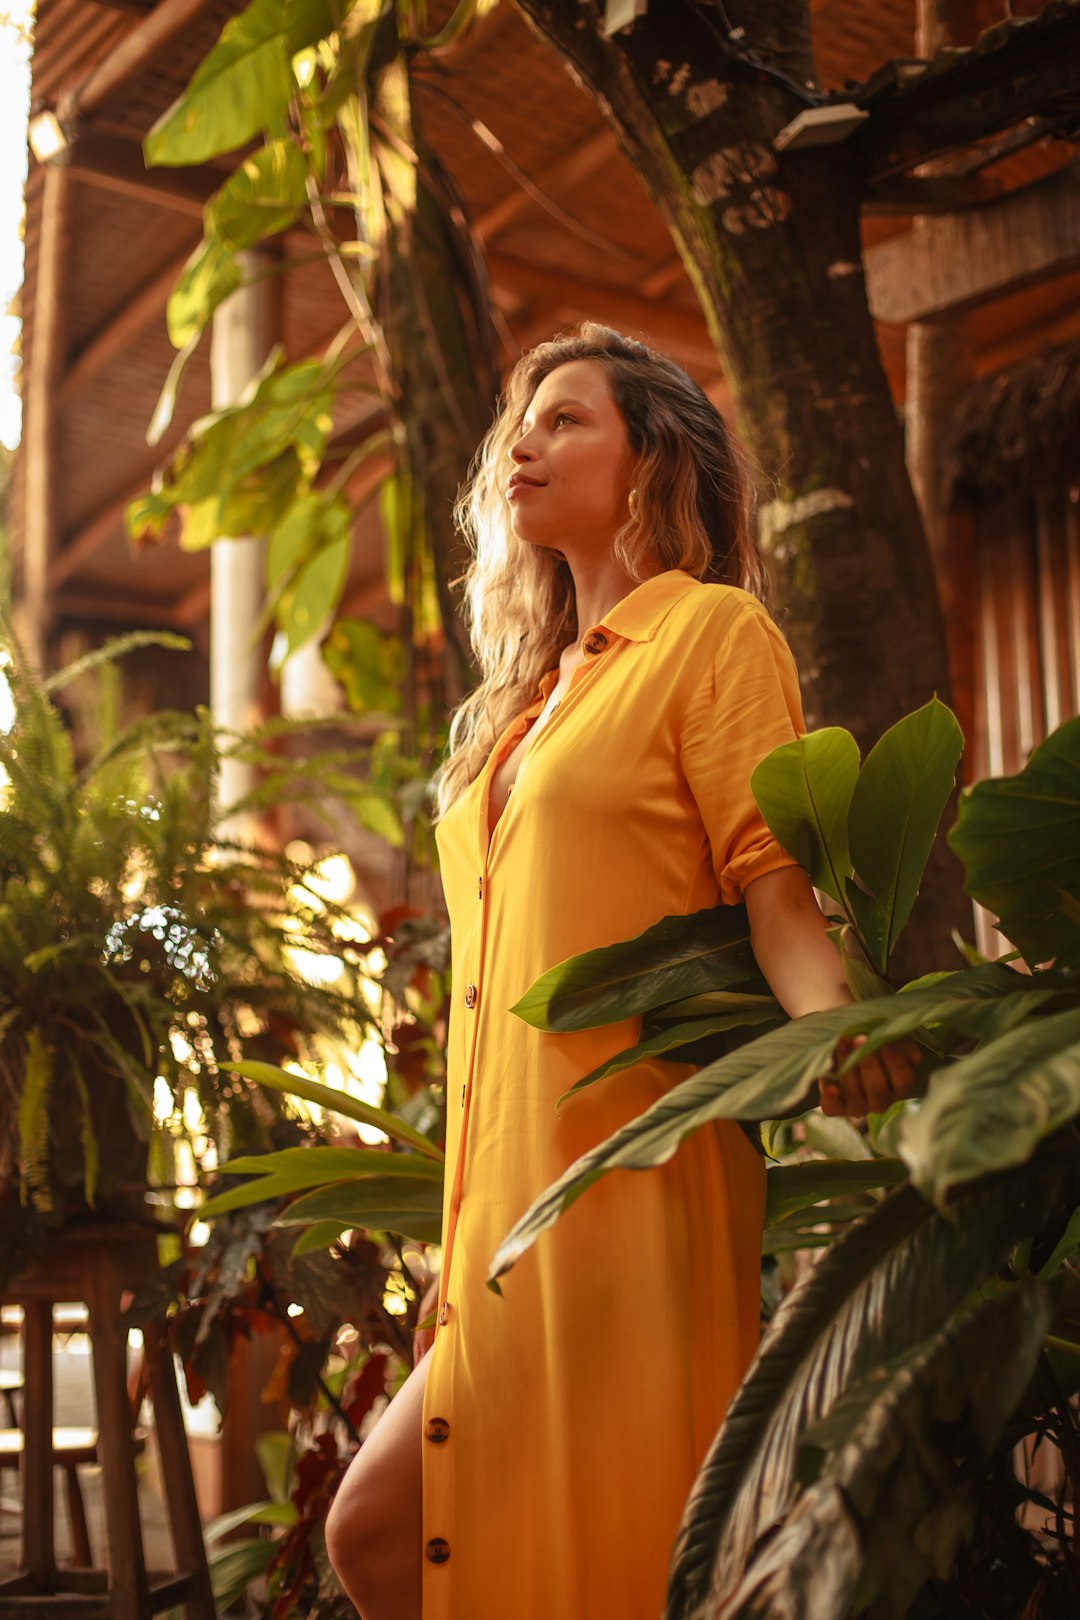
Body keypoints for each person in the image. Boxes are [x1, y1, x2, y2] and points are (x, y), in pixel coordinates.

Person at [325, 324, 918, 1620]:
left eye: (568, 419)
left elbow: (775, 892)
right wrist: (455, 1230)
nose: (524, 444)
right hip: (502, 1208)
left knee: (591, 1546)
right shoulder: (529, 702)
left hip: (629, 1182)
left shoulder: (712, 634)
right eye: (522, 427)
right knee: (381, 1535)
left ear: (654, 462)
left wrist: (840, 1034)